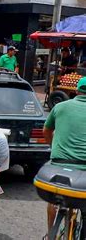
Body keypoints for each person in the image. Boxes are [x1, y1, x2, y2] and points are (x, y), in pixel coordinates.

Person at [43, 77, 86, 234]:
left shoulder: (60, 106)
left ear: (76, 91)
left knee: (54, 200)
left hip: (60, 163)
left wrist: (54, 149)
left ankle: (50, 234)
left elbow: (46, 132)